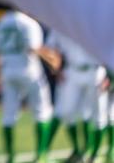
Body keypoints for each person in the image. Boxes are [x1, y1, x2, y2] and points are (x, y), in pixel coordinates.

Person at [0, 10, 54, 163]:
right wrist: (52, 63)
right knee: (42, 111)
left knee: (8, 116)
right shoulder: (29, 23)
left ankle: (10, 157)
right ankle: (41, 155)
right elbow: (34, 48)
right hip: (29, 71)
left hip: (8, 72)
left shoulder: (2, 21)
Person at [45, 29, 106, 163]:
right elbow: (49, 48)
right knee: (66, 112)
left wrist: (108, 75)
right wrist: (56, 68)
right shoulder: (63, 23)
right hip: (72, 71)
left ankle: (93, 154)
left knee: (97, 115)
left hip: (95, 72)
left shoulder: (94, 22)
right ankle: (78, 150)